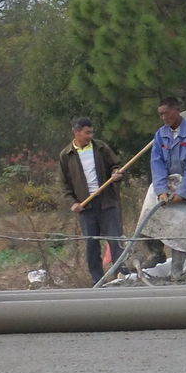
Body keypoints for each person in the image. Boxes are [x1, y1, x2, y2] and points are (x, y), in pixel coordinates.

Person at [58, 117, 125, 284]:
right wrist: (72, 203)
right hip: (85, 206)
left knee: (115, 240)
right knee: (92, 244)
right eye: (87, 132)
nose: (90, 136)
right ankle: (98, 281)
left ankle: (121, 275)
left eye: (91, 132)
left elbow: (115, 165)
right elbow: (64, 184)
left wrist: (116, 173)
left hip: (107, 201)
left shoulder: (101, 148)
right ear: (77, 132)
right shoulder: (66, 155)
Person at [150, 97, 186, 278]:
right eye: (161, 115)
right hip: (166, 183)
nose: (164, 117)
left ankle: (177, 271)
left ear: (177, 110)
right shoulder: (160, 135)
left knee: (181, 228)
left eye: (167, 113)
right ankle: (153, 254)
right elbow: (156, 164)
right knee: (150, 216)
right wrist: (160, 191)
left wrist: (182, 193)